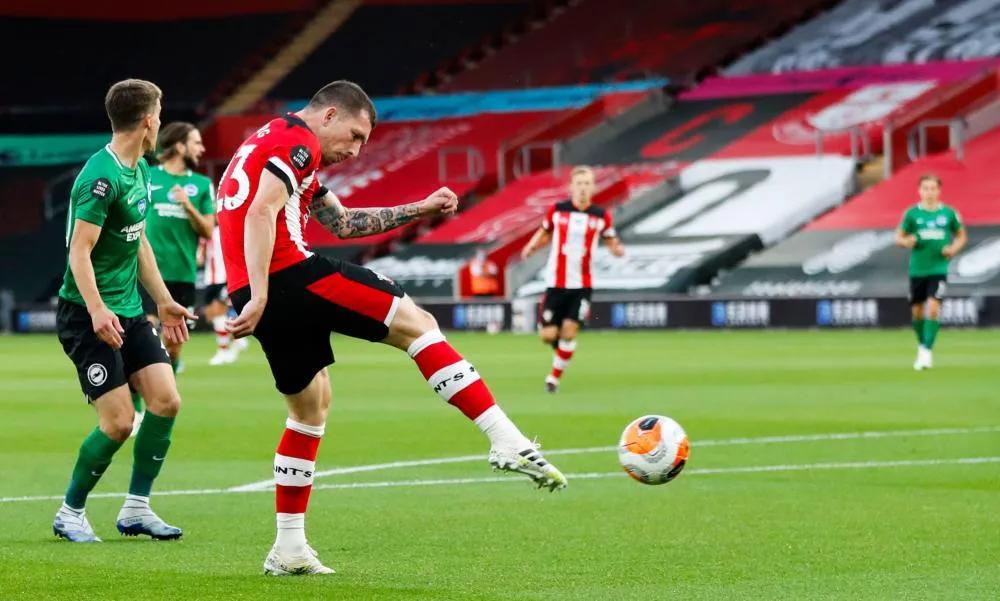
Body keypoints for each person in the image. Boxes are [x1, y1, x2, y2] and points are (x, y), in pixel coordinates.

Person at [217, 80, 567, 576]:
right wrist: (261, 290)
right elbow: (260, 211)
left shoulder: (273, 141)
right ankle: (504, 437)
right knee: (418, 324)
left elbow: (342, 225)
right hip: (284, 274)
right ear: (330, 114)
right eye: (355, 136)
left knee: (310, 407)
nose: (356, 151)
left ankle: (289, 547)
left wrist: (419, 209)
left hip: (258, 288)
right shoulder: (299, 141)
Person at [53, 79, 195, 542]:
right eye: (160, 111)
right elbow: (79, 251)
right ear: (149, 120)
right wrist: (96, 310)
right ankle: (70, 512)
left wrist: (165, 302)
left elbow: (140, 244)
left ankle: (136, 508)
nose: (161, 119)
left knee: (166, 401)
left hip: (130, 311)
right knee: (117, 423)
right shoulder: (101, 176)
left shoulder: (140, 170)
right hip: (87, 315)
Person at [520, 166, 625, 393]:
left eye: (587, 183)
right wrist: (531, 245)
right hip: (556, 282)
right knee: (548, 336)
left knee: (569, 331)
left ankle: (553, 378)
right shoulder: (558, 211)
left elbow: (611, 239)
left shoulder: (600, 215)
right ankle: (564, 352)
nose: (583, 188)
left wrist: (617, 249)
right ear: (572, 187)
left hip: (582, 285)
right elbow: (544, 230)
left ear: (594, 187)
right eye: (579, 183)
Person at [142, 122, 215, 374]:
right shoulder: (148, 176)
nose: (202, 149)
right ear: (180, 146)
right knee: (145, 337)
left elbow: (207, 229)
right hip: (148, 272)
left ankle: (165, 392)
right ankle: (139, 405)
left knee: (172, 347)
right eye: (196, 143)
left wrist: (187, 205)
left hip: (182, 274)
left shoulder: (203, 185)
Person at [895, 173, 966, 370]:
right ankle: (922, 345)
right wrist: (906, 241)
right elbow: (898, 238)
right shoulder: (912, 214)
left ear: (939, 190)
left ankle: (926, 353)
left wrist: (953, 249)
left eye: (933, 188)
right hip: (917, 270)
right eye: (925, 188)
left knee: (933, 308)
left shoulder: (949, 214)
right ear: (919, 191)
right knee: (917, 312)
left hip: (938, 268)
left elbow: (961, 236)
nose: (929, 192)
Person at [202, 223, 248, 365]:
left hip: (223, 278)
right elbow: (202, 257)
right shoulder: (206, 232)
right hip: (209, 278)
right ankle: (237, 339)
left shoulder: (226, 230)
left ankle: (223, 351)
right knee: (211, 316)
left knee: (219, 314)